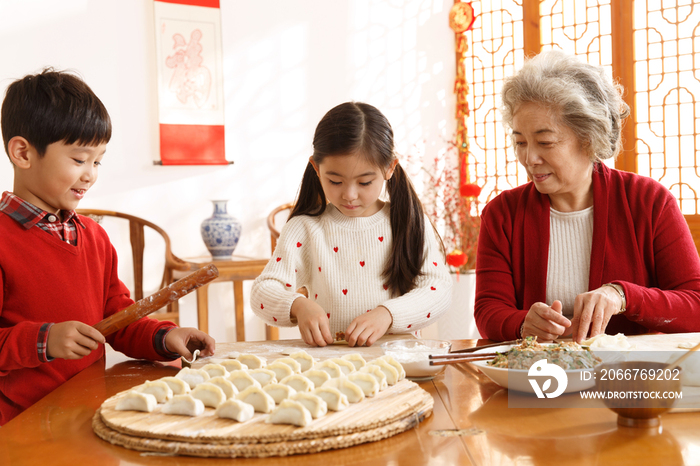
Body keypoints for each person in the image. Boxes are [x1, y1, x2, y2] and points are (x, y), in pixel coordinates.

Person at [0, 69, 215, 425]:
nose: (91, 174)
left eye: (98, 161)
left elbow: (119, 321)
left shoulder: (95, 237)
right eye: (79, 159)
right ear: (23, 152)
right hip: (21, 425)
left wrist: (165, 336)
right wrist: (44, 340)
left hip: (88, 412)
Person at [474, 50, 700, 343]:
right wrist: (521, 324)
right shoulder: (502, 213)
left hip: (629, 379)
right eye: (520, 142)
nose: (529, 157)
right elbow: (488, 311)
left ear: (589, 139)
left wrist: (622, 295)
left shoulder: (649, 201)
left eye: (545, 142)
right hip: (539, 379)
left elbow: (695, 304)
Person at [251, 102, 451, 347]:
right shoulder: (305, 228)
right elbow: (262, 292)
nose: (349, 194)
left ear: (389, 168)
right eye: (335, 181)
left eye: (365, 182)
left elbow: (438, 290)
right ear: (316, 168)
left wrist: (387, 314)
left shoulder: (408, 220)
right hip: (330, 369)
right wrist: (298, 305)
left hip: (398, 366)